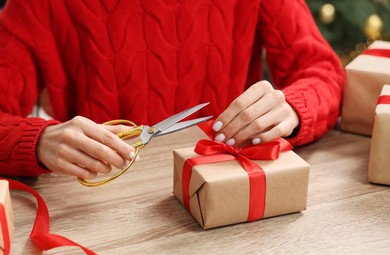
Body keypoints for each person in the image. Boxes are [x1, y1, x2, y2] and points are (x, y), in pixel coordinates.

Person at [0, 0, 345, 180]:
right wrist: (39, 142)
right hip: (100, 210)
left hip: (228, 191)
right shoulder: (37, 4)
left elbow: (323, 72)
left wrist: (292, 109)